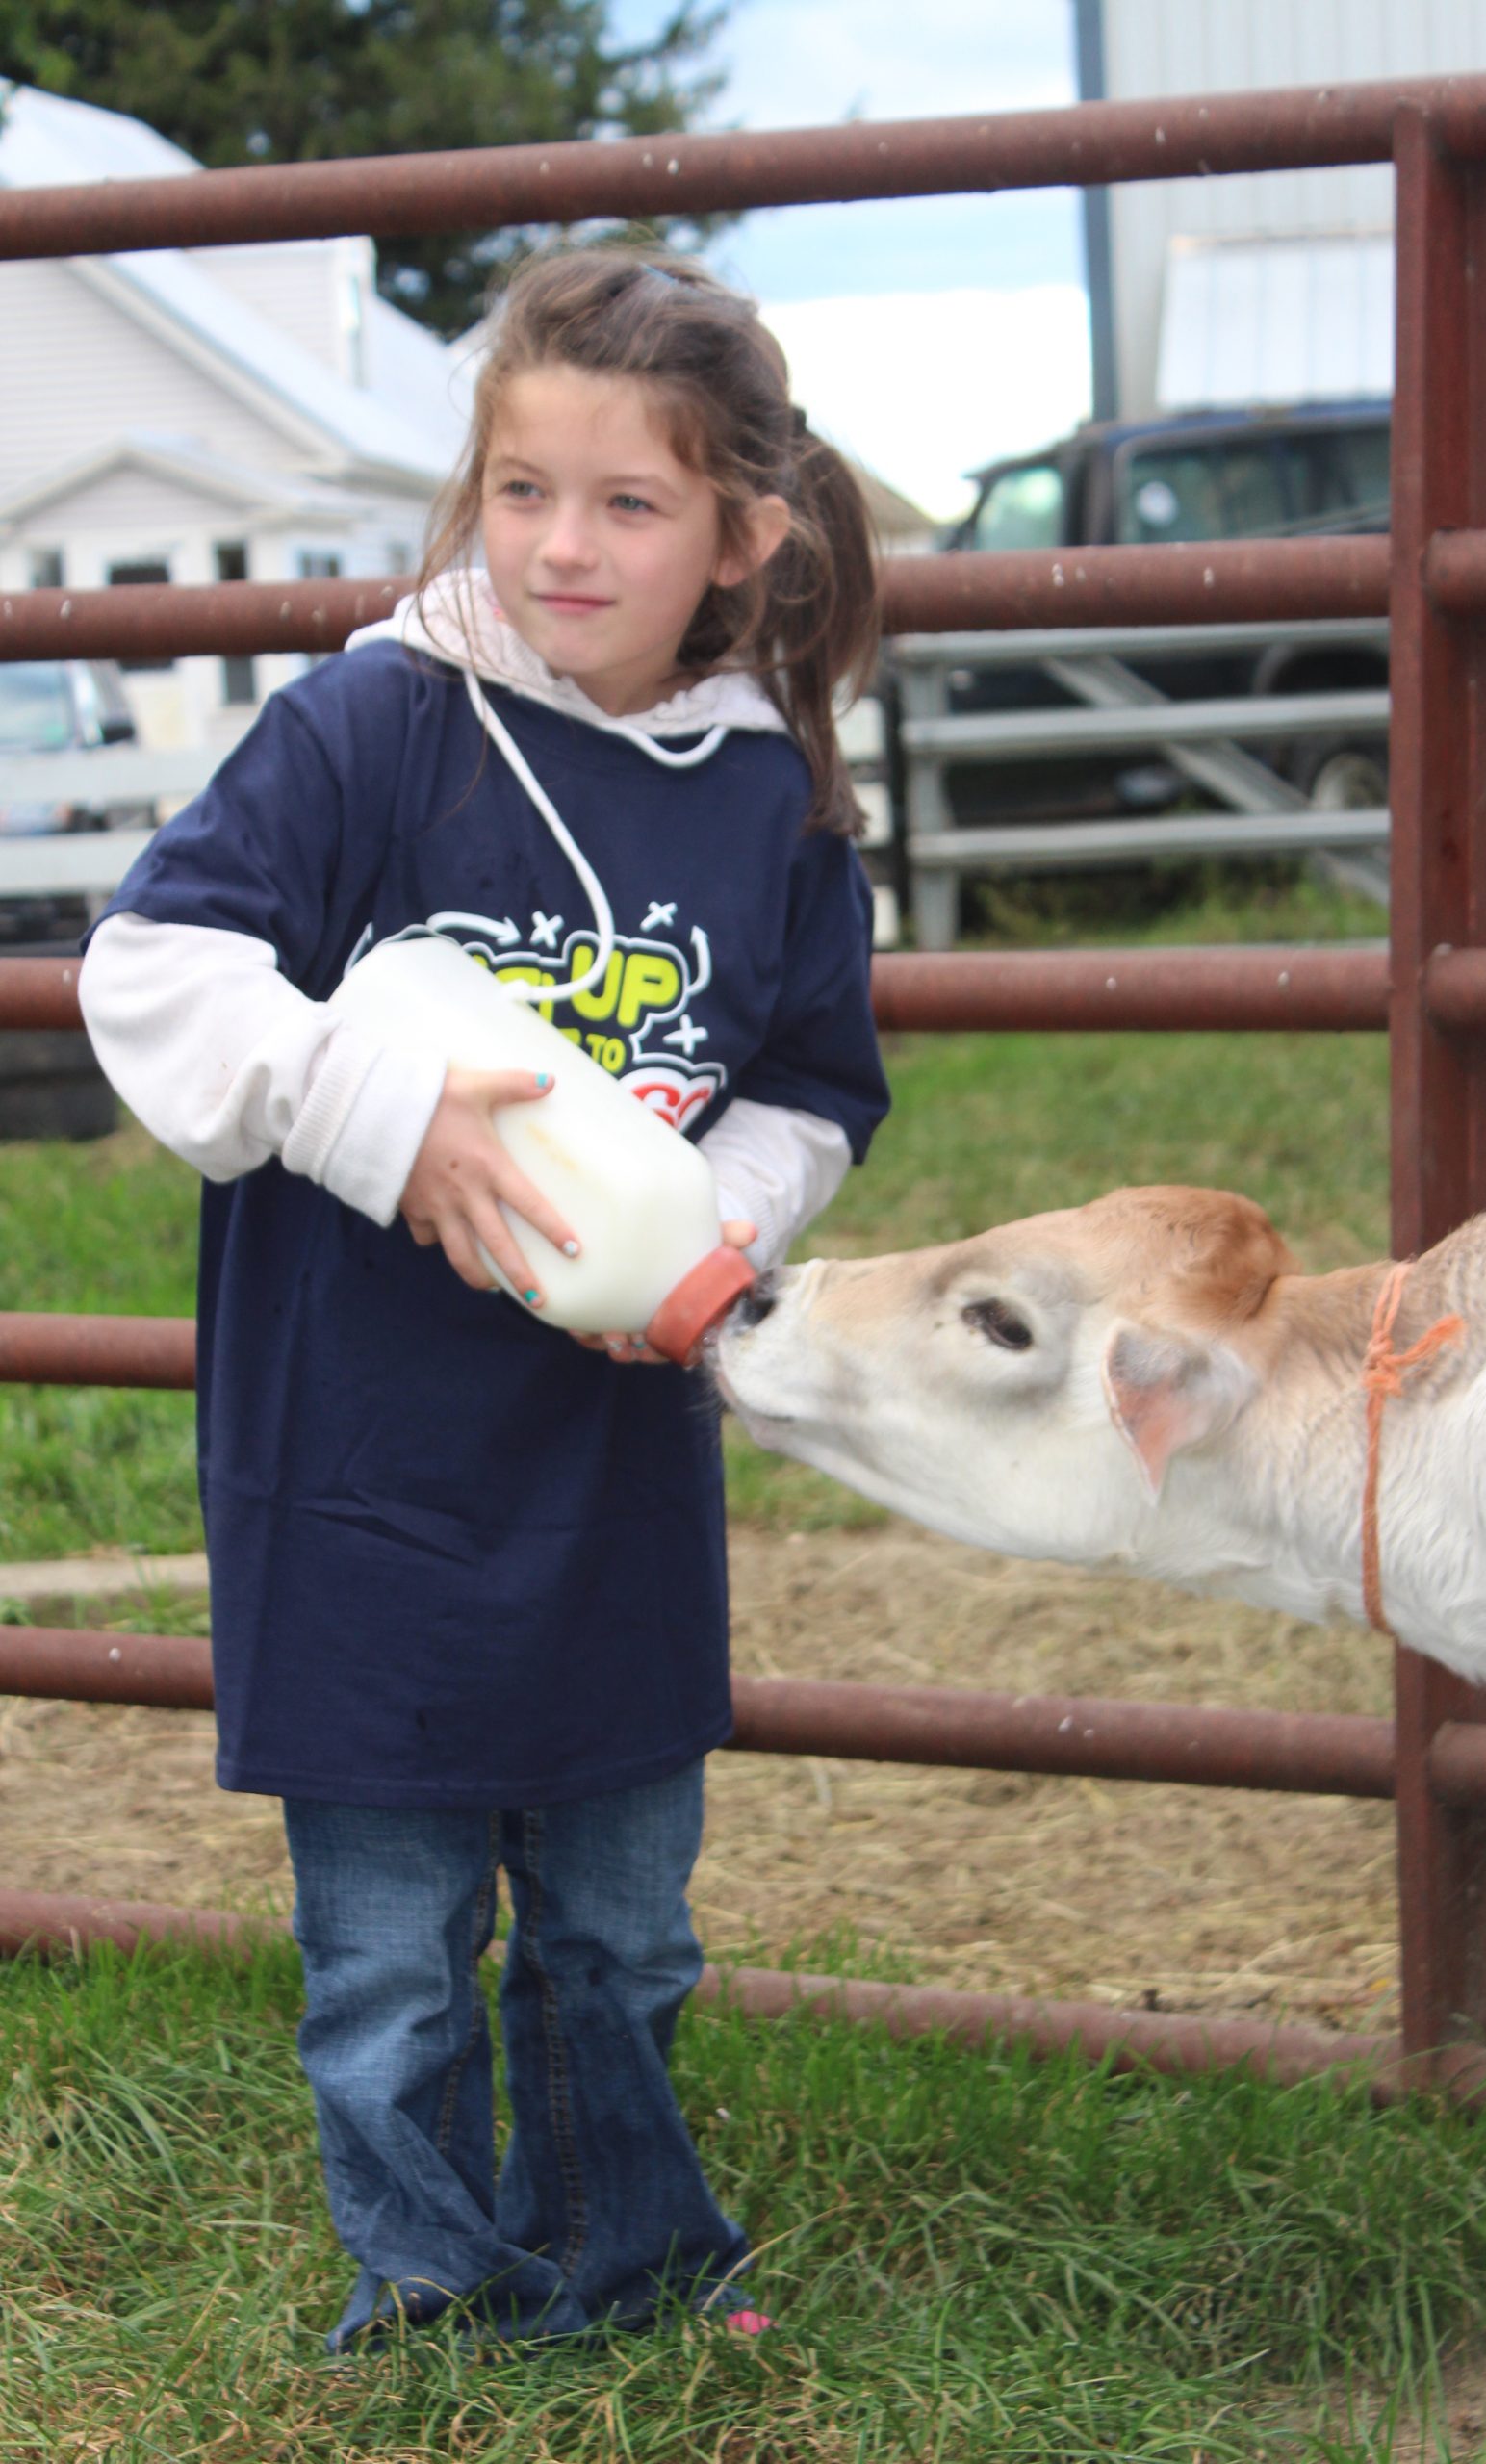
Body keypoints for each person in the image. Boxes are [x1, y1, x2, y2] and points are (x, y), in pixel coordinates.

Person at [77, 245, 890, 2352]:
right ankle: (428, 2286)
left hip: (609, 1446)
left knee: (618, 1920)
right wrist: (390, 1113)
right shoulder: (373, 722)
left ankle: (616, 2255)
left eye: (628, 503)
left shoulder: (773, 805)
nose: (561, 542)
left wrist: (693, 1223)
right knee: (388, 1941)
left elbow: (811, 1075)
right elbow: (152, 972)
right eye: (522, 487)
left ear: (742, 536)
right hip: (357, 1455)